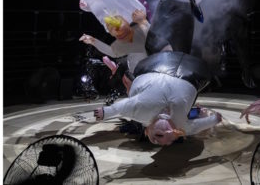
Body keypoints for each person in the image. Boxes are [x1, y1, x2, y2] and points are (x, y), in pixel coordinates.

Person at [93, 51, 222, 146]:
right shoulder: (178, 123)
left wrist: (105, 112)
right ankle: (119, 72)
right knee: (133, 90)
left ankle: (118, 72)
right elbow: (195, 127)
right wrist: (214, 119)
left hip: (155, 68)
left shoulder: (143, 111)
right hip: (171, 70)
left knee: (132, 90)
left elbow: (122, 107)